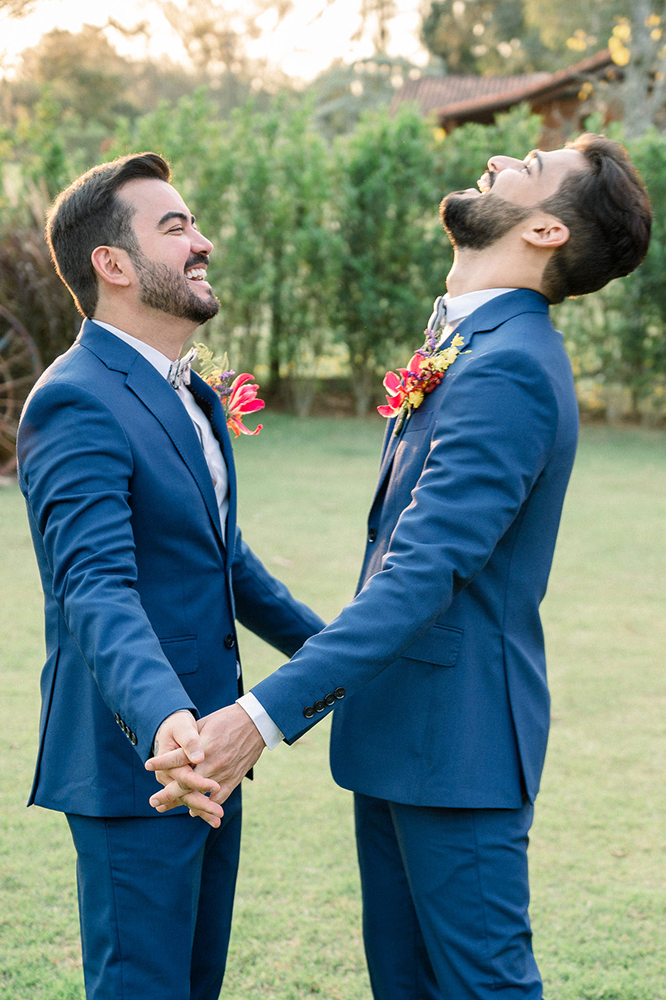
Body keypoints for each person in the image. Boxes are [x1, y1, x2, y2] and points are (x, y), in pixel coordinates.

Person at [150, 133, 651, 999]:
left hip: (460, 752)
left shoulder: (509, 370)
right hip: (405, 740)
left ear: (546, 233)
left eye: (529, 170)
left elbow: (421, 575)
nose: (503, 159)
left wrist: (259, 718)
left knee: (481, 986)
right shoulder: (470, 342)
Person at [16, 152, 325, 1000]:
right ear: (112, 265)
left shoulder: (192, 396)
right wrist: (167, 726)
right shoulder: (75, 398)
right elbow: (95, 589)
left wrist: (338, 654)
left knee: (195, 984)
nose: (204, 243)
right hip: (143, 767)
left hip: (214, 753)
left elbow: (225, 562)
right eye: (175, 227)